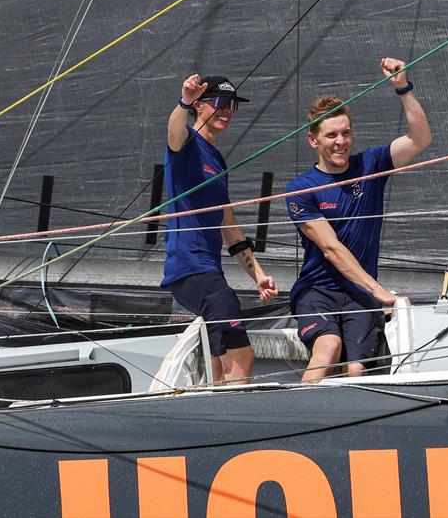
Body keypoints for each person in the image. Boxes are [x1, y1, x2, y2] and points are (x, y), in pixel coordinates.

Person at [285, 57, 432, 383]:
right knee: (327, 350)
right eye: (331, 135)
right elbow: (331, 249)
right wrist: (379, 292)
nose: (341, 142)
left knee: (356, 370)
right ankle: (298, 423)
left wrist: (403, 89)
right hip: (317, 290)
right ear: (314, 140)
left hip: (358, 295)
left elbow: (420, 139)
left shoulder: (371, 164)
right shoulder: (300, 190)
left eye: (346, 133)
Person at [162, 74, 278, 385]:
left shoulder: (218, 162)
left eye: (232, 106)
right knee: (241, 357)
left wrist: (259, 275)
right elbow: (173, 130)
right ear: (200, 106)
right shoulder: (185, 143)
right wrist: (183, 101)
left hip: (205, 271)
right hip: (192, 268)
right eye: (220, 104)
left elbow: (230, 228)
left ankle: (209, 420)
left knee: (219, 361)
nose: (227, 110)